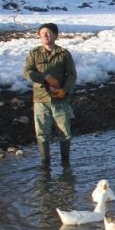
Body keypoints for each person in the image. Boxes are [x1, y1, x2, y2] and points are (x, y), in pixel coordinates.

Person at [23, 23, 77, 168]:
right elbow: (27, 72)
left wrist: (64, 90)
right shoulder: (34, 53)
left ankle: (66, 164)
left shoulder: (64, 54)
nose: (45, 36)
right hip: (41, 99)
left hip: (60, 99)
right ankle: (45, 163)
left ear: (55, 35)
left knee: (64, 131)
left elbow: (72, 75)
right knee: (42, 132)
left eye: (48, 33)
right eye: (42, 34)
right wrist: (45, 78)